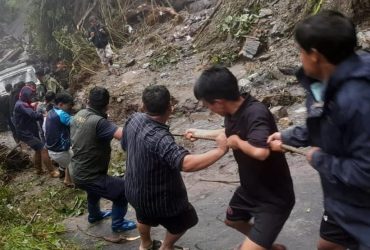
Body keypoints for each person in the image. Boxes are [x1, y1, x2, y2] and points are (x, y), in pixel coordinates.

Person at [267, 10, 370, 250]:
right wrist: (288, 136)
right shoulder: (329, 83)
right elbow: (328, 123)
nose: (300, 57)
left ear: (314, 55)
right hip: (344, 201)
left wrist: (320, 159)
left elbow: (366, 172)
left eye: (301, 51)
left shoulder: (358, 100)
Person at [187, 66, 295, 250]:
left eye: (208, 106)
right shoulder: (233, 111)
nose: (210, 110)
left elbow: (261, 152)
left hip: (273, 198)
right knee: (233, 220)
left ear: (219, 102)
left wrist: (237, 143)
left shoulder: (255, 113)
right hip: (250, 190)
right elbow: (230, 132)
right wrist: (200, 132)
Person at [122, 85, 228, 250]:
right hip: (159, 200)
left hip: (133, 191)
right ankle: (167, 247)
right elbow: (186, 163)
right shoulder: (161, 139)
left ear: (143, 106)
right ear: (170, 108)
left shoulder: (133, 119)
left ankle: (145, 245)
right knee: (186, 220)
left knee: (143, 216)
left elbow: (126, 145)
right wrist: (220, 150)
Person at [69, 86, 136, 232]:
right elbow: (126, 135)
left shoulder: (79, 114)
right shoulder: (99, 123)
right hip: (89, 175)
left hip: (76, 170)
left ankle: (94, 216)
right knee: (123, 190)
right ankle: (118, 224)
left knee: (93, 190)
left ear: (88, 101)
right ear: (107, 105)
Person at [13, 85, 59, 177]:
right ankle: (52, 172)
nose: (31, 98)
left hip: (28, 131)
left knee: (37, 150)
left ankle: (38, 170)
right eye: (30, 96)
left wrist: (33, 105)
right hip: (25, 133)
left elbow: (28, 110)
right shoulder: (21, 105)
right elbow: (33, 115)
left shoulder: (21, 102)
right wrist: (44, 115)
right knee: (43, 148)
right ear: (25, 95)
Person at [45, 92, 74, 187]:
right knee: (75, 160)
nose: (70, 108)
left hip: (51, 149)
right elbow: (76, 124)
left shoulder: (51, 111)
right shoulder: (62, 114)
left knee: (67, 158)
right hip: (59, 151)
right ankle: (68, 181)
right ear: (61, 104)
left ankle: (62, 171)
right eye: (69, 106)